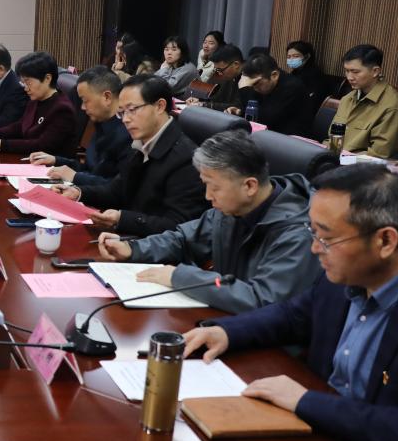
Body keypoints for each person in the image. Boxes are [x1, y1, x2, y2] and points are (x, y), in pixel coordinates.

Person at [183, 164, 398, 441]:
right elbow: (294, 315)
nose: (315, 248)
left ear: (385, 241)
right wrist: (226, 332)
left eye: (326, 237)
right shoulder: (350, 269)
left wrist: (307, 403)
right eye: (312, 232)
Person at [97, 131, 317, 313]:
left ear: (249, 186)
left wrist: (180, 277)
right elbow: (183, 239)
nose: (208, 196)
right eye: (206, 185)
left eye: (215, 188)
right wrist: (132, 249)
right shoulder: (232, 208)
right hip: (227, 318)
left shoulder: (298, 233)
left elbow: (263, 299)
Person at [57, 74, 208, 237]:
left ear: (160, 106)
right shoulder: (139, 145)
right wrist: (79, 192)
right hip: (128, 236)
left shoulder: (186, 159)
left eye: (132, 110)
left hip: (150, 245)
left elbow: (178, 226)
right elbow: (116, 191)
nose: (125, 119)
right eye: (122, 112)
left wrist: (122, 219)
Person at [38, 66, 132, 188]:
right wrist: (56, 160)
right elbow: (90, 168)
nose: (82, 107)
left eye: (85, 100)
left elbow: (116, 188)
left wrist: (75, 177)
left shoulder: (128, 132)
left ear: (107, 97)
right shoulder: (102, 123)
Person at [0, 52, 78, 158]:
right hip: (29, 158)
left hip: (49, 165)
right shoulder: (36, 99)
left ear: (47, 78)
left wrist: (2, 144)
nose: (25, 88)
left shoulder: (62, 109)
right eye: (23, 83)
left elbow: (43, 145)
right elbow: (21, 125)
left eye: (28, 82)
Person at [331, 44, 398, 158]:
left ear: (375, 71)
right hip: (334, 160)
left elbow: (378, 155)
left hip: (360, 166)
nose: (349, 77)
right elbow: (332, 140)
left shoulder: (393, 107)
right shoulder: (347, 99)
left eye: (355, 72)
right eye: (347, 71)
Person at [234, 54, 313, 137]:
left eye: (256, 83)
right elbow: (255, 106)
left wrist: (244, 89)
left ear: (274, 75)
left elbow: (263, 120)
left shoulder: (293, 87)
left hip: (292, 140)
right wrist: (239, 112)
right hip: (270, 135)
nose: (254, 88)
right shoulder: (261, 83)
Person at [187, 44, 244, 112]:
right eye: (217, 70)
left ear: (236, 64)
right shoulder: (230, 76)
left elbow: (238, 106)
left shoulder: (248, 78)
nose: (219, 73)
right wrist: (199, 101)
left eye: (220, 70)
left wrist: (204, 105)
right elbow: (217, 99)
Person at [283, 39, 333, 112]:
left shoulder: (315, 75)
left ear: (307, 56)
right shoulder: (294, 72)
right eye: (289, 57)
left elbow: (310, 102)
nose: (291, 59)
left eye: (296, 56)